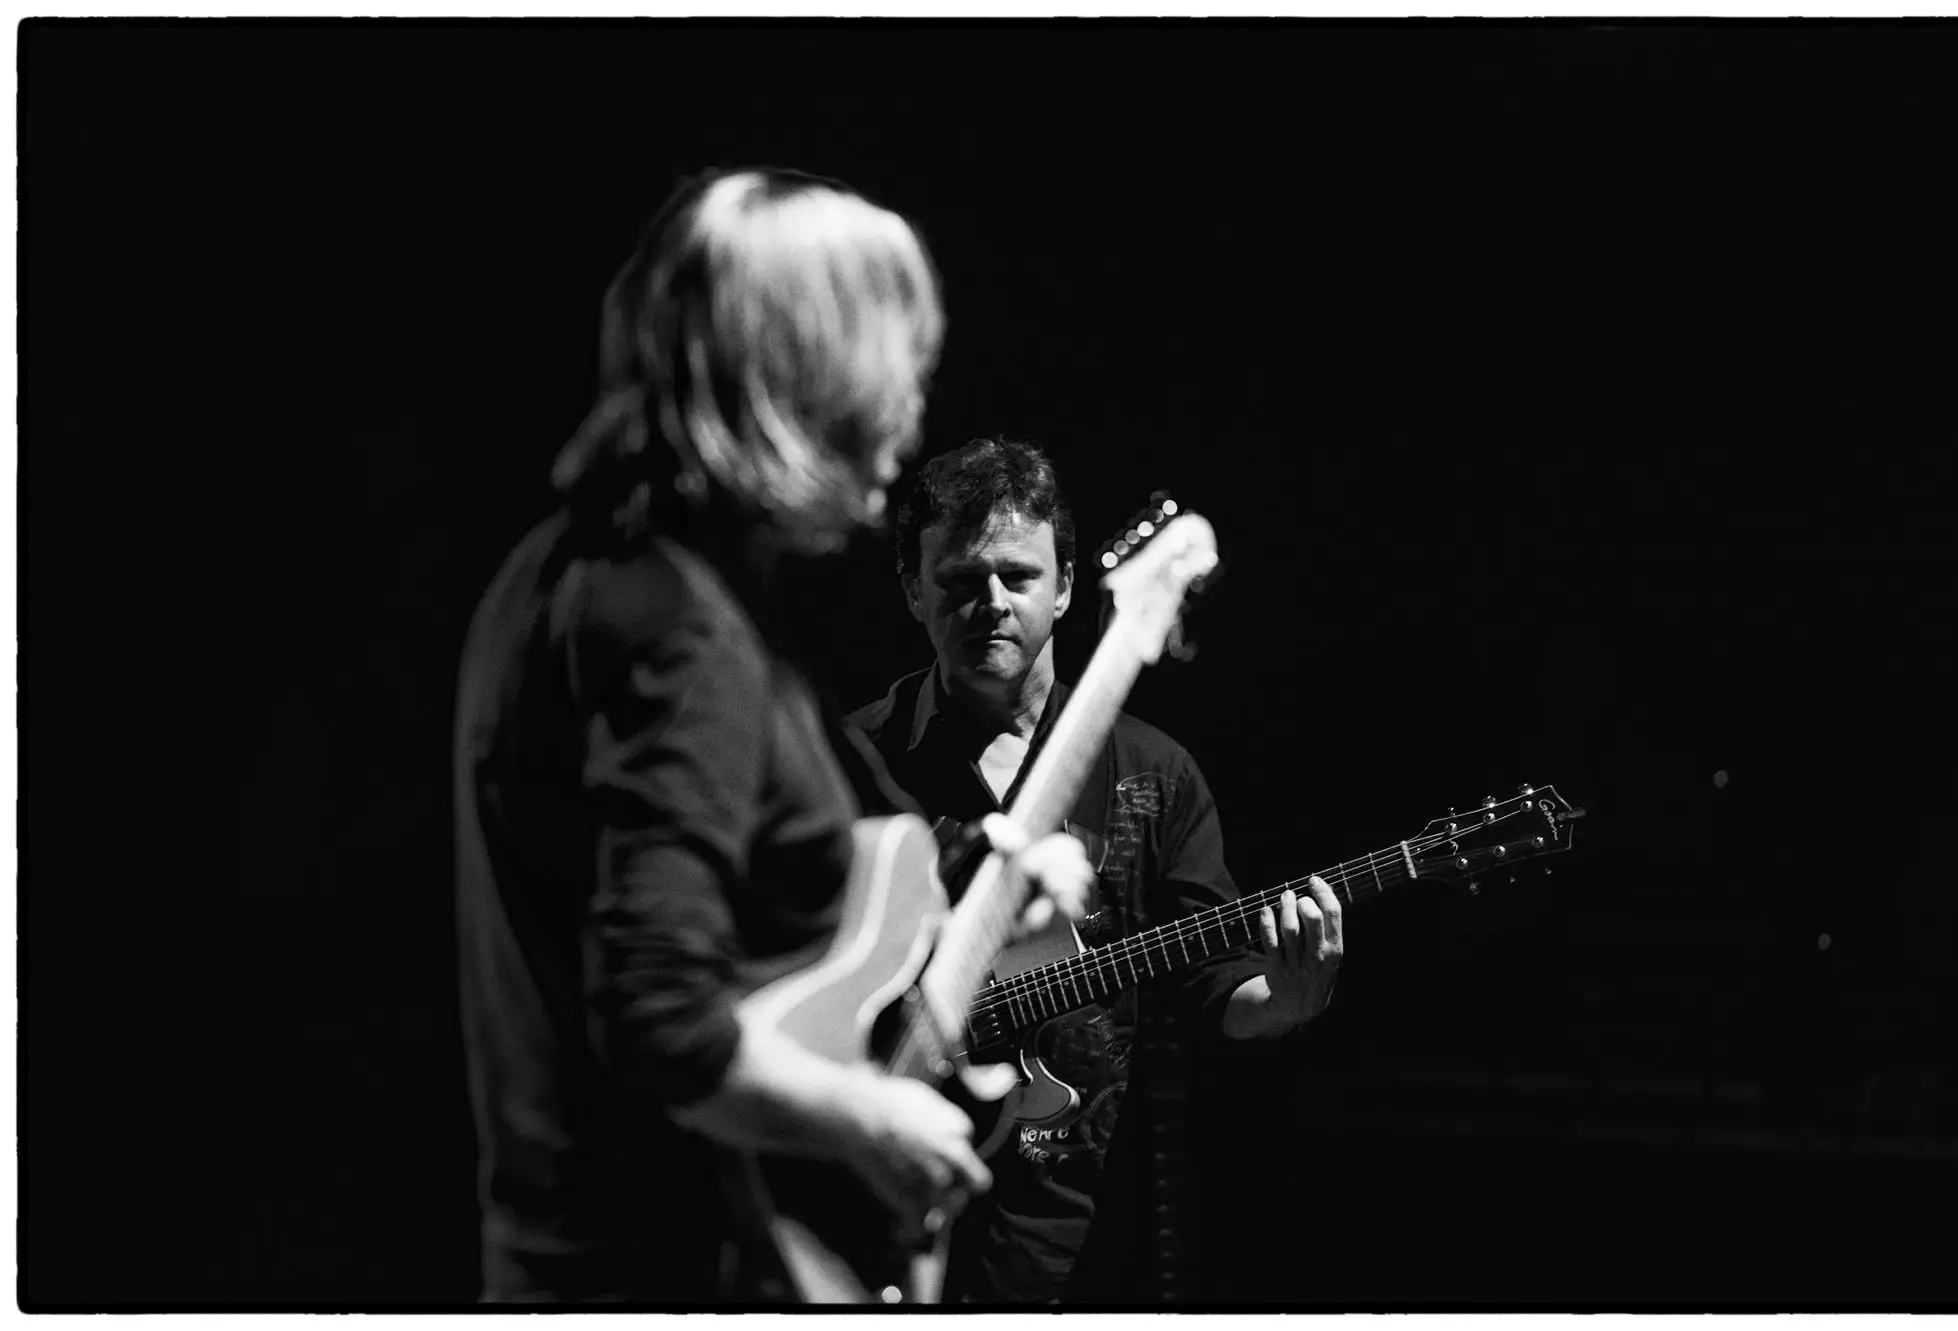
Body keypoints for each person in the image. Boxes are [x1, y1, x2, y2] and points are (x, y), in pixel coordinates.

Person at [451, 170, 1090, 1304]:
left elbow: (765, 942)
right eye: (895, 369)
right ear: (810, 370)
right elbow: (661, 1015)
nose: (906, 415)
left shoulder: (565, 573)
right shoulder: (681, 632)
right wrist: (872, 1119)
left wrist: (972, 909)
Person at [845, 437, 1346, 1303]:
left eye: (1018, 576)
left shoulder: (1156, 774)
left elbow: (1215, 985)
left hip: (1083, 1238)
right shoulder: (856, 764)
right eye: (960, 580)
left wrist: (1287, 1000)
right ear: (913, 589)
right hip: (874, 1197)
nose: (990, 603)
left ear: (1068, 585)